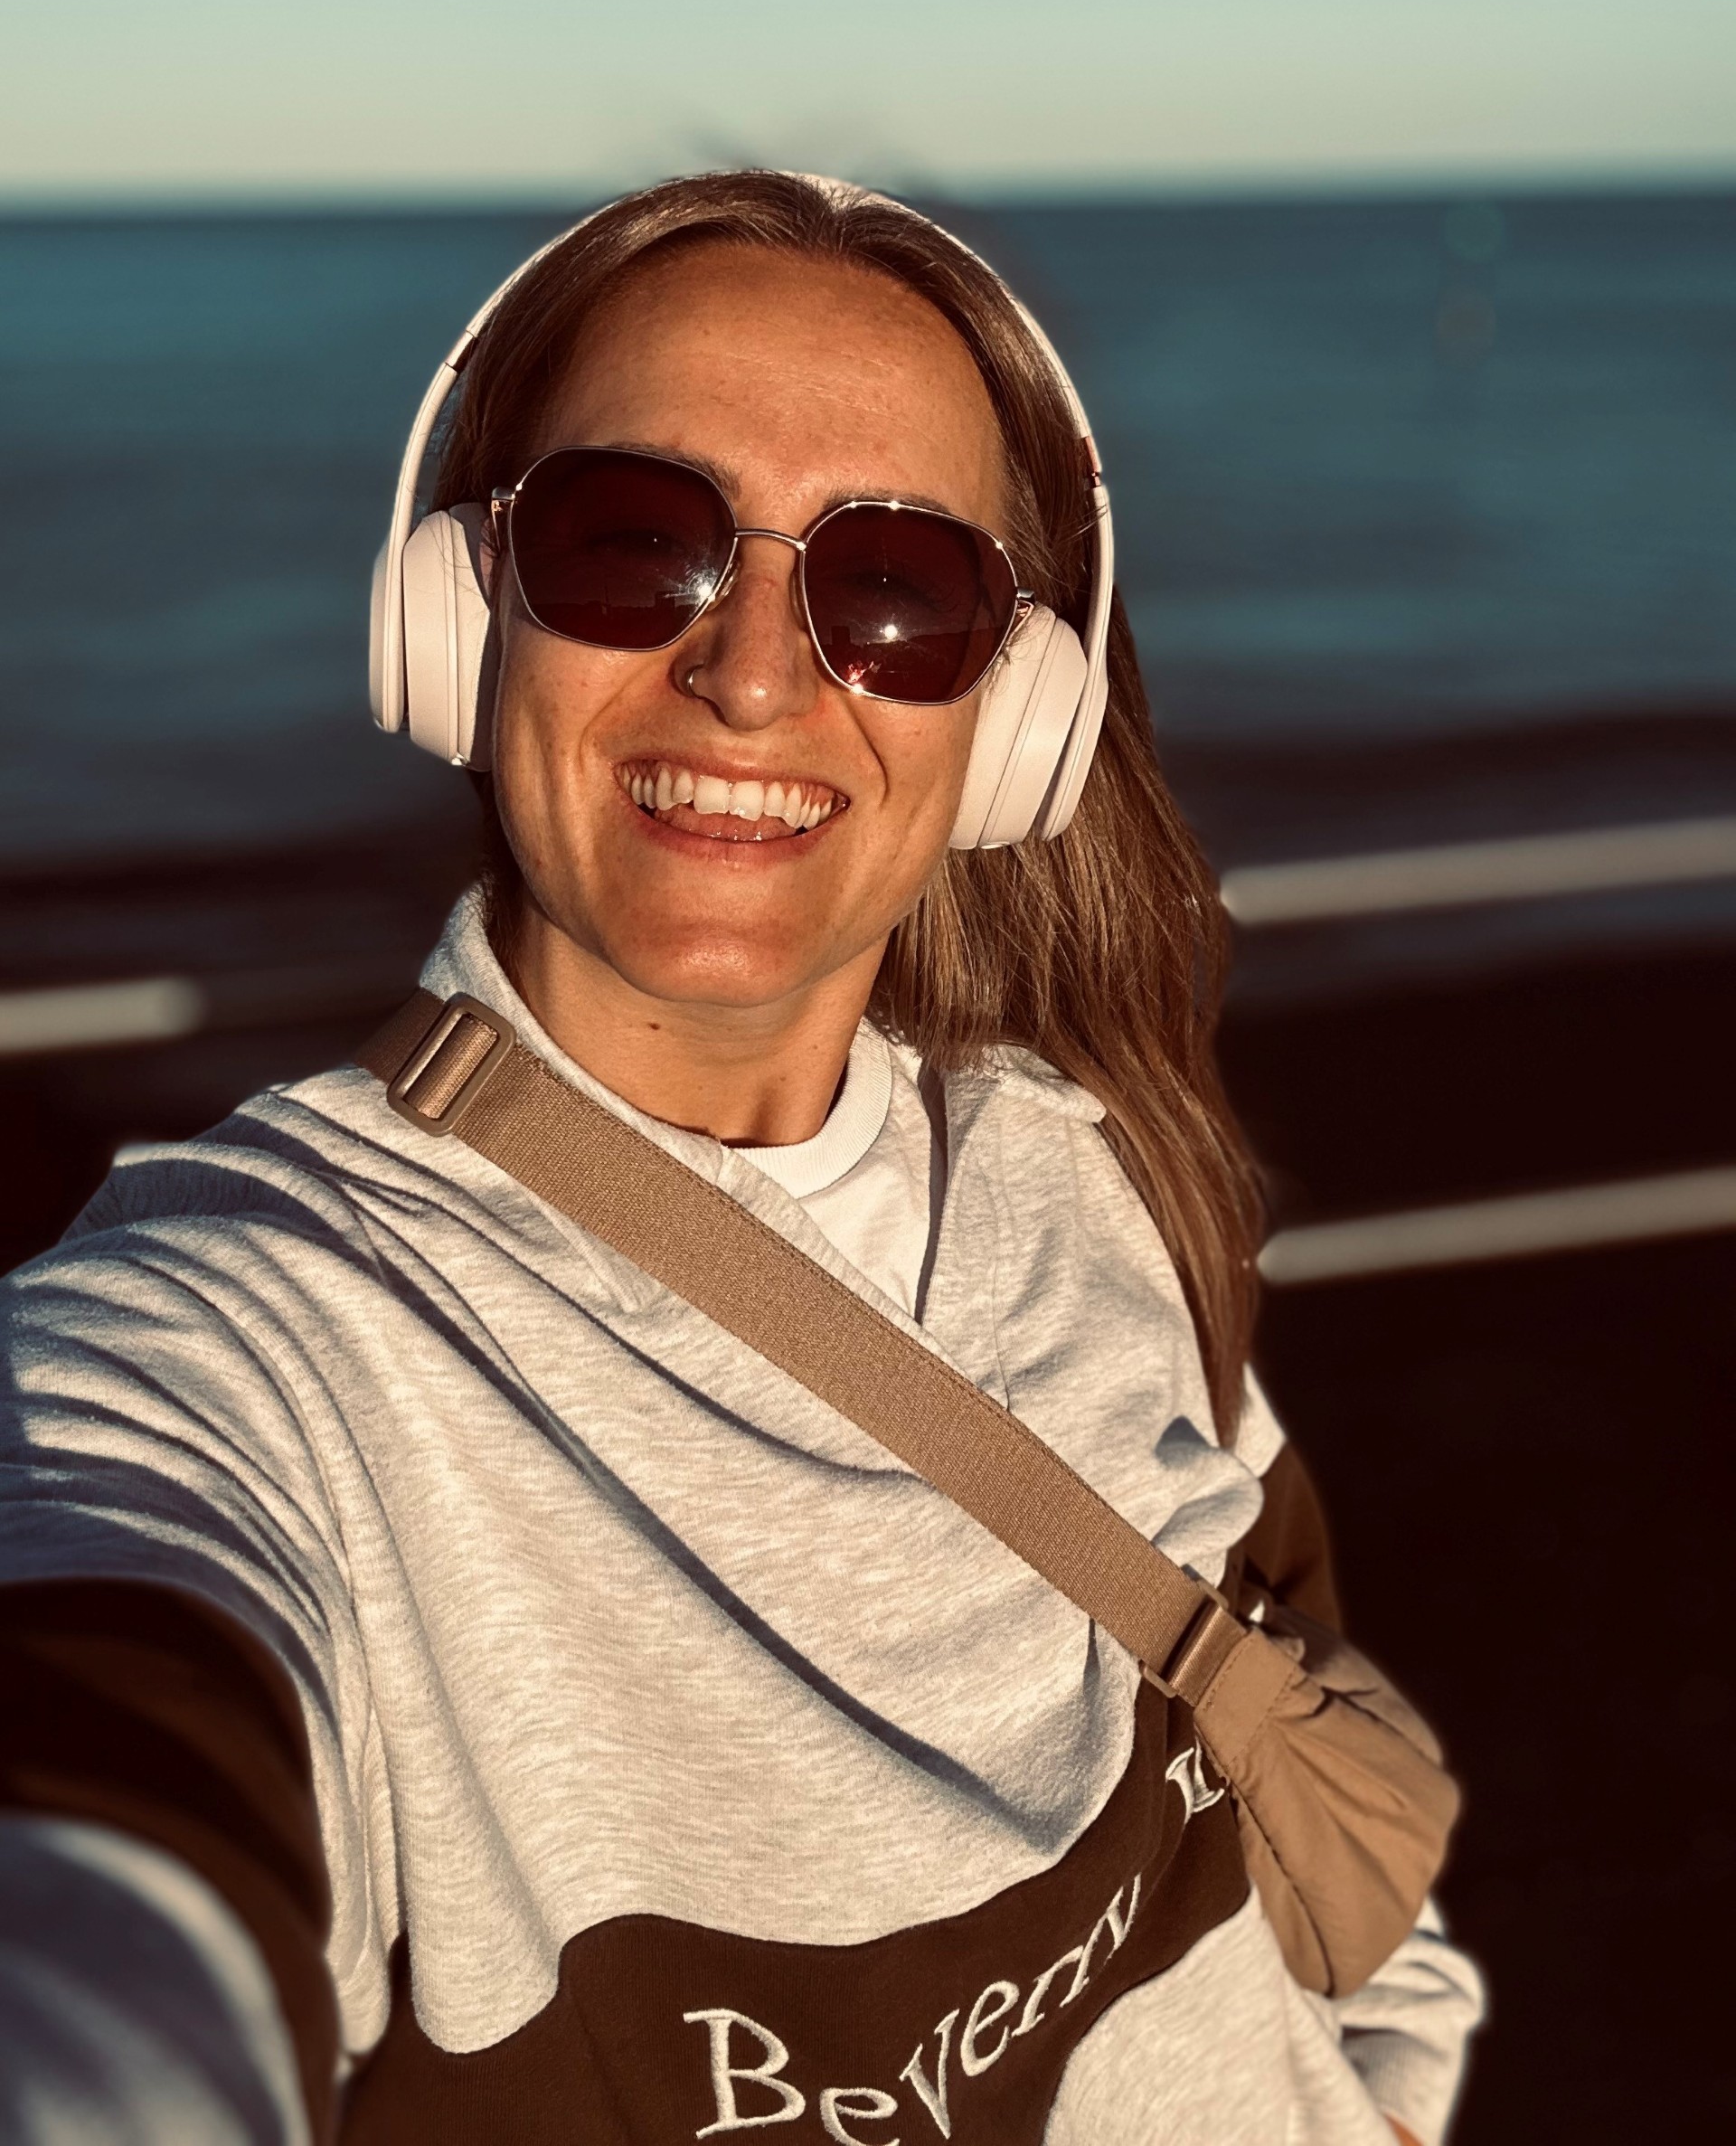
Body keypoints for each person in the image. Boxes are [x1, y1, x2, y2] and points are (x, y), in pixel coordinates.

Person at [0, 172, 1481, 2143]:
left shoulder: (1090, 1180)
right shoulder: (252, 1347)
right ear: (463, 611)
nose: (761, 673)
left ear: (1013, 715)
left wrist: (1386, 2091)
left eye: (900, 592)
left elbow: (1297, 1685)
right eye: (637, 544)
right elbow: (115, 1785)